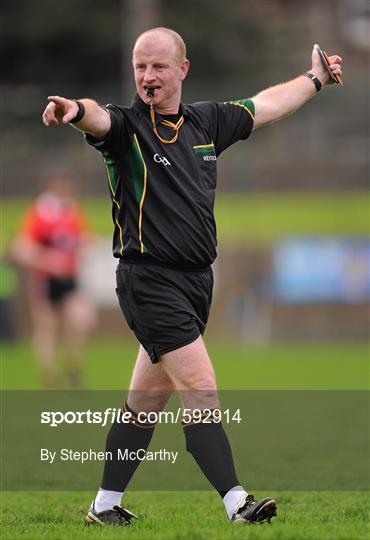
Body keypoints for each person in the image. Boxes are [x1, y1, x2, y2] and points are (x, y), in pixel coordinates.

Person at [42, 27, 342, 525]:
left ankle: (104, 506)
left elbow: (265, 105)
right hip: (149, 280)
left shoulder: (207, 121)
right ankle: (237, 504)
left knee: (142, 405)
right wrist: (73, 110)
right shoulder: (126, 128)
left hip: (196, 283)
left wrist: (314, 78)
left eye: (158, 66)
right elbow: (96, 115)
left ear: (182, 69)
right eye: (140, 66)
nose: (147, 76)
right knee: (200, 386)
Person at [10, 176, 97, 387]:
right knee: (47, 326)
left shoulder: (72, 212)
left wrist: (81, 250)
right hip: (44, 279)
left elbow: (85, 239)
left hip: (69, 278)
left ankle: (73, 364)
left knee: (81, 319)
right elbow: (20, 248)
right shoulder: (40, 213)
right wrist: (47, 261)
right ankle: (48, 373)